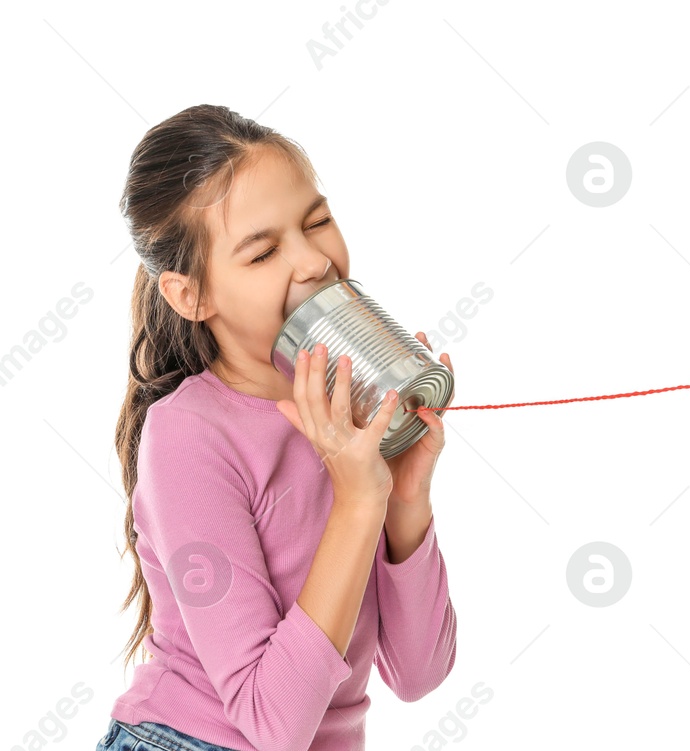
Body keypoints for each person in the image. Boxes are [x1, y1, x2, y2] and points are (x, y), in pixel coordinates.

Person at [101, 104, 458, 751]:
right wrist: (357, 501)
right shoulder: (187, 435)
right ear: (192, 296)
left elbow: (418, 673)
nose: (313, 261)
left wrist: (403, 498)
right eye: (262, 251)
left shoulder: (345, 420)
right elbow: (274, 724)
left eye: (317, 221)